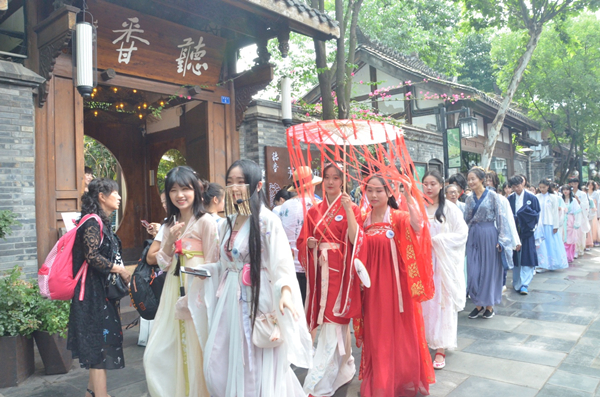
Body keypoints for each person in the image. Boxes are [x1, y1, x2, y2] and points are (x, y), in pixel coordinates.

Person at [195, 159, 312, 397]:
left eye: (241, 182)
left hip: (257, 299)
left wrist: (286, 293)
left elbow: (281, 264)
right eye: (230, 182)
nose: (234, 187)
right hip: (228, 299)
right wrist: (201, 271)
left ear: (257, 186)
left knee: (254, 358)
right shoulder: (225, 223)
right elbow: (225, 264)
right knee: (218, 359)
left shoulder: (267, 220)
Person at [355, 173, 435, 396]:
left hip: (397, 285)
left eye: (379, 190)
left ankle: (402, 378)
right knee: (377, 332)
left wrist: (409, 194)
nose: (373, 195)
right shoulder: (363, 219)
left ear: (389, 192)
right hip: (372, 286)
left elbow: (418, 226)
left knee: (401, 330)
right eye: (369, 190)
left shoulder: (398, 217)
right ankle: (380, 380)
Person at [143, 166, 220, 397]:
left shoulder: (206, 221)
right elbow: (164, 263)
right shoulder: (169, 224)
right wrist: (170, 241)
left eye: (185, 189)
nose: (180, 195)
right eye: (173, 190)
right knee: (157, 351)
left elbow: (215, 262)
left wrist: (197, 284)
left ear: (196, 190)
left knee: (197, 345)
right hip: (172, 290)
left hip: (198, 291)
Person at [297, 162, 366, 397]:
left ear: (342, 181)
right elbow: (302, 239)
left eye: (336, 178)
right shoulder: (313, 211)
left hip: (341, 273)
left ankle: (317, 383)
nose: (330, 182)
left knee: (335, 322)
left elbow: (357, 240)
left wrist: (348, 210)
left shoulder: (352, 207)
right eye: (327, 177)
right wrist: (309, 245)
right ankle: (344, 367)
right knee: (331, 324)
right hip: (320, 274)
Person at [68, 178, 130, 397]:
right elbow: (92, 257)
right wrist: (120, 270)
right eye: (115, 193)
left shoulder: (100, 221)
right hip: (92, 295)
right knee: (99, 347)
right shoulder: (93, 222)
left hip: (99, 293)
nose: (119, 196)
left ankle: (91, 393)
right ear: (102, 197)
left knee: (99, 344)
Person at [421, 170, 468, 371]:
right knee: (424, 303)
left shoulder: (450, 209)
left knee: (442, 303)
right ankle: (423, 341)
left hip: (442, 263)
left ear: (441, 185)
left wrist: (439, 241)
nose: (429, 187)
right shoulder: (418, 207)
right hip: (423, 262)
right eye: (425, 184)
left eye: (433, 183)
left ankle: (440, 347)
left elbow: (462, 234)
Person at [465, 167, 514, 320]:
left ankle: (489, 306)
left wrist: (502, 240)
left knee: (488, 271)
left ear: (481, 179)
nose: (471, 182)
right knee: (473, 271)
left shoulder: (494, 197)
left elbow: (501, 218)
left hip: (489, 235)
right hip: (473, 234)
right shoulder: (468, 199)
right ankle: (478, 303)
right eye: (469, 179)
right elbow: (465, 220)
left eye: (473, 178)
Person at [279, 166, 322, 304]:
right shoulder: (319, 205)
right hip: (312, 263)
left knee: (295, 308)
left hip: (289, 264)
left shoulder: (284, 206)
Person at [507, 175, 540, 295]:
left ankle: (525, 284)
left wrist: (531, 226)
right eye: (514, 187)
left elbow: (536, 215)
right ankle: (517, 282)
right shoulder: (510, 198)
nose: (516, 189)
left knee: (527, 257)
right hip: (514, 231)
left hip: (527, 231)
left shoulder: (532, 197)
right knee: (516, 258)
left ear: (523, 184)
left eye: (518, 186)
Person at [535, 179, 568, 271]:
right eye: (540, 187)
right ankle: (542, 264)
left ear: (548, 187)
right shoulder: (537, 197)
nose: (542, 189)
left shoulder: (553, 197)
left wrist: (556, 226)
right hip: (540, 224)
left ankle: (552, 263)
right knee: (541, 245)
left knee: (551, 244)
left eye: (544, 187)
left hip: (550, 223)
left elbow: (555, 213)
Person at [570, 177, 591, 257]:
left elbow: (586, 205)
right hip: (572, 216)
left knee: (581, 233)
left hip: (580, 215)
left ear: (578, 184)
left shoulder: (582, 194)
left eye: (575, 183)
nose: (573, 185)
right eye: (572, 184)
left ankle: (580, 249)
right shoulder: (569, 192)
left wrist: (579, 201)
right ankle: (574, 250)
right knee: (572, 233)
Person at [562, 184, 582, 263]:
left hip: (570, 220)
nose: (565, 191)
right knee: (563, 237)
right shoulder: (560, 199)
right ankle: (564, 256)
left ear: (570, 191)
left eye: (567, 190)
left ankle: (570, 255)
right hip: (562, 220)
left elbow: (577, 212)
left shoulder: (573, 200)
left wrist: (577, 222)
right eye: (564, 190)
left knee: (570, 238)